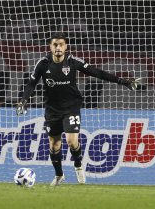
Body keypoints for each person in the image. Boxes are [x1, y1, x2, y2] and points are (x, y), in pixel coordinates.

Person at [16, 32, 141, 186]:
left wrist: (122, 81)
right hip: (52, 109)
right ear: (50, 47)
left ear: (66, 47)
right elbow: (31, 84)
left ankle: (78, 166)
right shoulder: (43, 64)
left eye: (61, 44)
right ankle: (59, 175)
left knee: (71, 140)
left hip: (71, 107)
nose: (58, 47)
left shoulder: (73, 62)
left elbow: (97, 72)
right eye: (55, 44)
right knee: (54, 144)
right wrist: (23, 100)